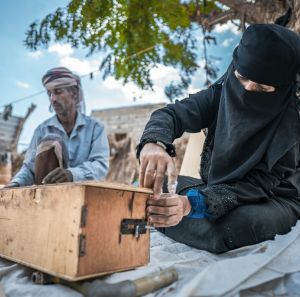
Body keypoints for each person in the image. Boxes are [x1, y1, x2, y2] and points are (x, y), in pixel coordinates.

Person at [137, 24, 300, 253]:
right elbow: (172, 114)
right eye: (242, 77)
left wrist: (189, 204)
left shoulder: (291, 125)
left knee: (235, 228)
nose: (247, 90)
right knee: (155, 188)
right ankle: (176, 216)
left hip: (271, 198)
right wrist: (154, 144)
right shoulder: (221, 94)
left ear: (282, 88)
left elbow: (256, 185)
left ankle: (174, 219)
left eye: (263, 87)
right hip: (212, 187)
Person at [5, 67, 109, 187]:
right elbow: (29, 168)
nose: (53, 99)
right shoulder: (42, 130)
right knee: (50, 140)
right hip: (49, 199)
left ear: (74, 93)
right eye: (49, 94)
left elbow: (100, 165)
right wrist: (16, 183)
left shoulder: (95, 128)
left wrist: (72, 174)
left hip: (85, 198)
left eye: (58, 92)